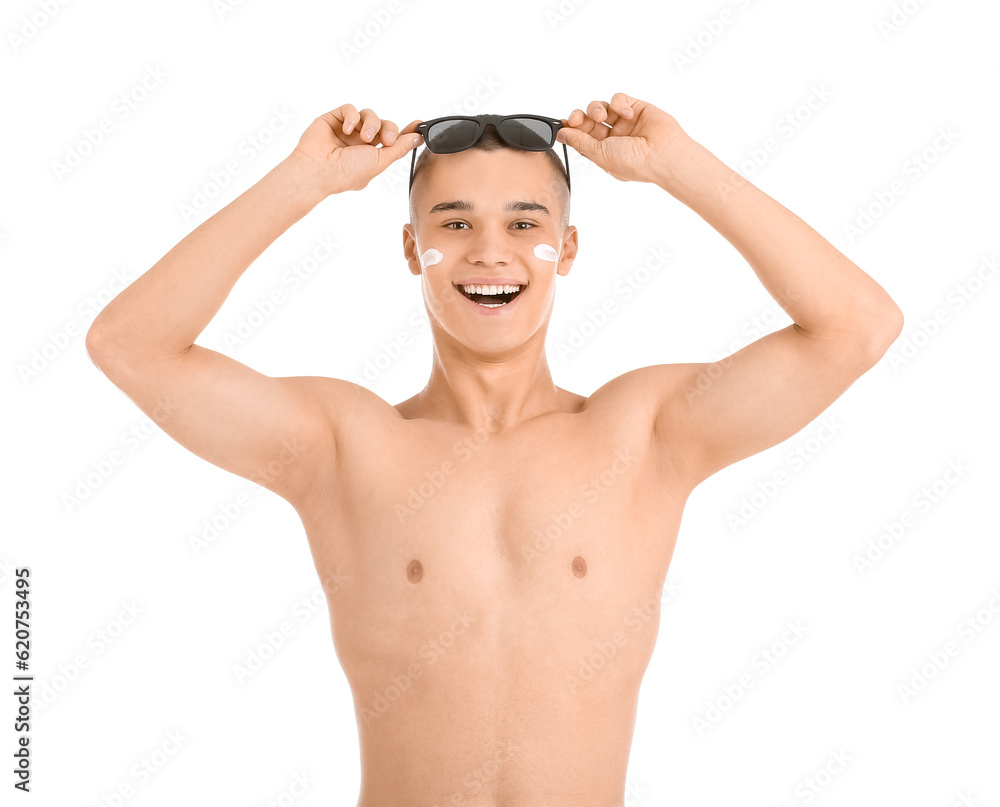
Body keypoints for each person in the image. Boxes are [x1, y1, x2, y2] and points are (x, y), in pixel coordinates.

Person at [85, 92, 903, 806]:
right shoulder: (342, 446)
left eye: (524, 222)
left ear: (568, 249)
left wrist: (679, 165)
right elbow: (131, 346)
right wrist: (303, 182)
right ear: (412, 251)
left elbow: (857, 328)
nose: (489, 251)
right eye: (454, 223)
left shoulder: (644, 433)